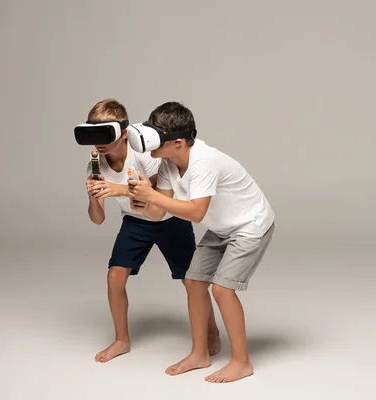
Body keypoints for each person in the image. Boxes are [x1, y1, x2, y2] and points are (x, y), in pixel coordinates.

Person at [127, 101, 275, 383]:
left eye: (155, 138)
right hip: (221, 227)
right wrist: (145, 201)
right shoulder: (169, 162)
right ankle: (199, 353)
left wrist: (153, 195)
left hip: (250, 225)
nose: (147, 145)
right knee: (194, 281)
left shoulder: (204, 161)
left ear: (178, 141)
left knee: (221, 289)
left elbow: (195, 213)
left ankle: (242, 361)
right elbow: (159, 211)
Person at [82, 98, 221, 363]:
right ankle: (121, 340)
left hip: (171, 219)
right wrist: (92, 196)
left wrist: (120, 190)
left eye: (104, 133)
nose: (98, 141)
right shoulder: (96, 163)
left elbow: (158, 195)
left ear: (123, 133)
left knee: (193, 281)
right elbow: (97, 219)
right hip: (135, 223)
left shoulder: (145, 154)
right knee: (114, 277)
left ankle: (211, 329)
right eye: (93, 133)